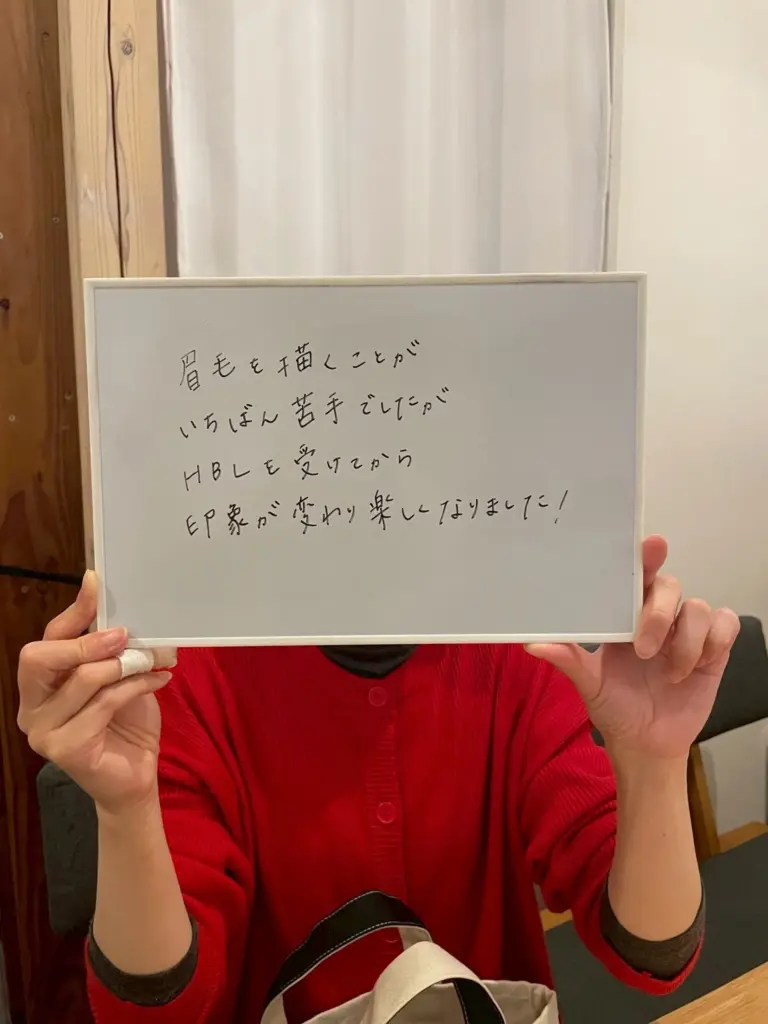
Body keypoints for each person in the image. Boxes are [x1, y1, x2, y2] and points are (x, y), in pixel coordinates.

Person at [17, 536, 738, 1023]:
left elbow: (648, 953)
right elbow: (155, 1010)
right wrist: (126, 807)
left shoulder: (513, 652)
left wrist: (653, 762)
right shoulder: (197, 674)